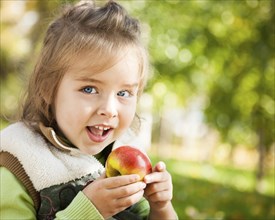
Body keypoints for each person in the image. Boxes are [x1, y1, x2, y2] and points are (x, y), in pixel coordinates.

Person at [0, 0, 178, 219]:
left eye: (124, 93)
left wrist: (161, 207)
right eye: (89, 89)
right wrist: (88, 212)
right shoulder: (19, 164)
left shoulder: (123, 153)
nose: (110, 110)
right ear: (48, 89)